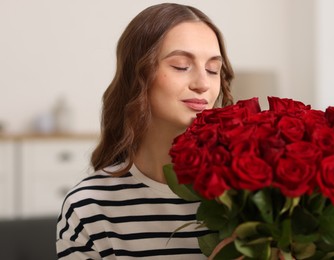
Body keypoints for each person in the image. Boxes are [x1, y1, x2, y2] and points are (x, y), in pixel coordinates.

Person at [56, 3, 234, 259]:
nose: (203, 84)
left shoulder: (246, 196)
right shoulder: (88, 207)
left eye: (213, 70)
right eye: (181, 66)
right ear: (137, 74)